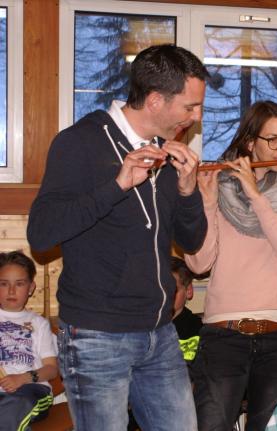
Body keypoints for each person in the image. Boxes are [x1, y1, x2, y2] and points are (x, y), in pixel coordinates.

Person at [26, 44, 209, 431]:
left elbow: (192, 241)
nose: (196, 116)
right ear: (155, 100)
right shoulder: (79, 143)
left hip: (159, 331)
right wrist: (118, 185)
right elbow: (41, 234)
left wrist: (189, 190)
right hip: (96, 336)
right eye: (190, 106)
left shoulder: (167, 152)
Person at [185, 100, 277, 431]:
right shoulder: (221, 186)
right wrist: (207, 203)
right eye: (272, 140)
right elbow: (199, 263)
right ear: (249, 143)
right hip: (224, 332)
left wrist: (256, 197)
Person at [0, 251, 58, 431]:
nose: (11, 291)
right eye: (4, 284)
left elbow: (51, 369)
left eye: (19, 284)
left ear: (31, 288)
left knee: (15, 407)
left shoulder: (39, 323)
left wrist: (22, 378)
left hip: (31, 390)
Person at [171, 256, 203, 369]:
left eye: (172, 290)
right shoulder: (139, 328)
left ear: (188, 291)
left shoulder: (198, 330)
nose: (164, 296)